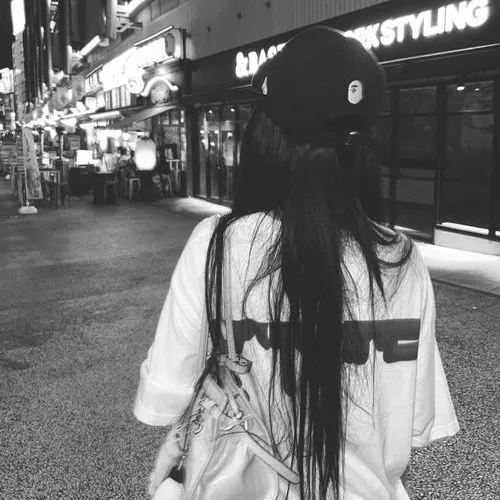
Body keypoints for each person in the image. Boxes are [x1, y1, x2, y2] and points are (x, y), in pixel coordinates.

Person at [134, 27, 459, 500]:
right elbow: (415, 419)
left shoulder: (217, 244)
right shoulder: (399, 258)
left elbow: (167, 391)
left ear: (265, 137)